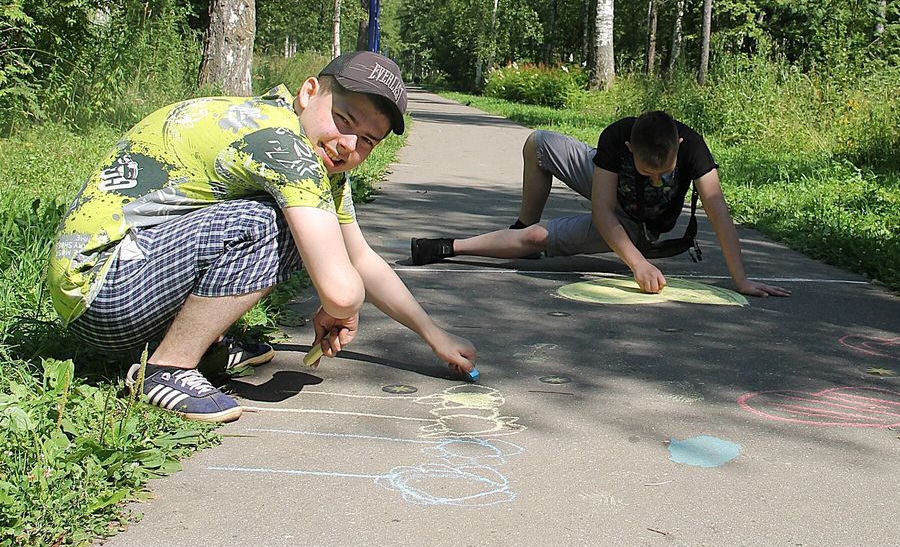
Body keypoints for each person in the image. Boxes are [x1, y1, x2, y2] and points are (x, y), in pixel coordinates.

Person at [47, 51, 477, 423]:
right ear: (309, 92)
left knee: (305, 225)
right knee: (272, 222)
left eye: (367, 140)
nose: (348, 144)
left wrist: (434, 335)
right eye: (344, 119)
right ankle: (167, 368)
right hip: (101, 290)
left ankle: (201, 343)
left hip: (127, 278)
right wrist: (341, 307)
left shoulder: (305, 147)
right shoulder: (283, 147)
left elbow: (360, 258)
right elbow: (343, 291)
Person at [410, 110, 790, 298]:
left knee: (537, 238)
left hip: (636, 225)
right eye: (647, 172)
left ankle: (458, 246)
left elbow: (719, 213)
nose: (657, 180)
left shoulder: (693, 148)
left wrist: (740, 280)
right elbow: (602, 210)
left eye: (665, 173)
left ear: (678, 146)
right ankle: (522, 225)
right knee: (539, 143)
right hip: (611, 198)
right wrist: (638, 266)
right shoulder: (616, 138)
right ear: (629, 149)